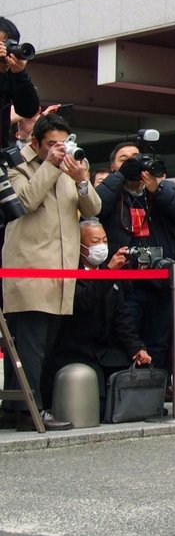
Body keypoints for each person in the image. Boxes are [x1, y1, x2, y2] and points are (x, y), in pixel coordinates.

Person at [0, 112, 101, 431]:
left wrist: (82, 179)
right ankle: (31, 410)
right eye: (52, 145)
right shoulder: (18, 166)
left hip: (61, 272)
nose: (60, 150)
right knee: (28, 346)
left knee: (47, 345)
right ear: (35, 143)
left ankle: (20, 410)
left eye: (64, 143)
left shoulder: (69, 168)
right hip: (28, 270)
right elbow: (24, 201)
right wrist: (50, 165)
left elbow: (94, 209)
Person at [98, 139, 175, 372]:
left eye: (137, 157)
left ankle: (154, 401)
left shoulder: (162, 189)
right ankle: (124, 403)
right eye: (125, 159)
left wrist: (156, 189)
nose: (133, 163)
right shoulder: (113, 192)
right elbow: (96, 206)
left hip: (160, 283)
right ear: (113, 167)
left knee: (158, 346)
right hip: (127, 284)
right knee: (125, 344)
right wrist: (121, 177)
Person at [44, 220, 151, 412]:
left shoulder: (107, 273)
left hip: (103, 349)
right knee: (96, 394)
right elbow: (84, 301)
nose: (101, 246)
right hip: (74, 350)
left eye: (104, 240)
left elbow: (122, 317)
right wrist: (109, 273)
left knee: (138, 372)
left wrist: (137, 347)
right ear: (81, 246)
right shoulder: (70, 273)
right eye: (95, 241)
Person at [0, 17, 41, 148]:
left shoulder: (12, 74)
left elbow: (28, 110)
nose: (5, 49)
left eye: (9, 44)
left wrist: (20, 74)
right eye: (1, 43)